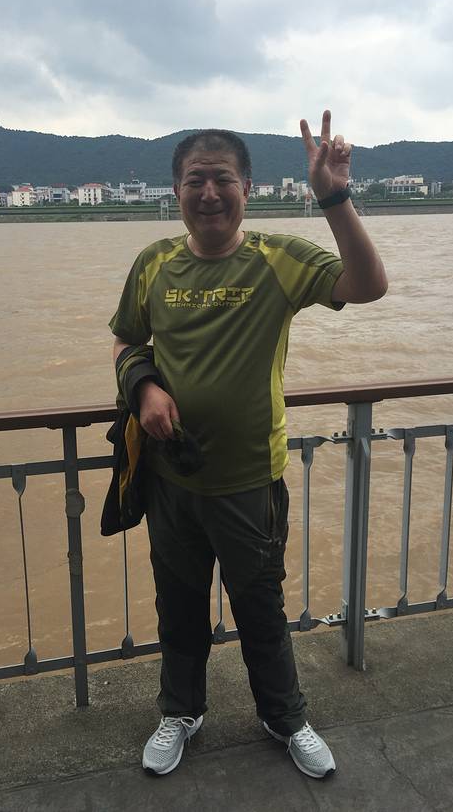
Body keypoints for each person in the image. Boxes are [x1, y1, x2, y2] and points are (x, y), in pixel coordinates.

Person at [108, 110, 388, 780]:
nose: (209, 193)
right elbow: (125, 340)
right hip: (173, 480)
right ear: (176, 191)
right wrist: (144, 389)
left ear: (248, 188)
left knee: (260, 608)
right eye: (195, 180)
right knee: (178, 608)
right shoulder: (153, 264)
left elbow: (368, 286)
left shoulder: (278, 258)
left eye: (222, 179)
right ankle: (180, 712)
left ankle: (285, 717)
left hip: (248, 482)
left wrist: (335, 197)